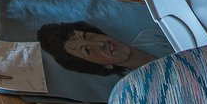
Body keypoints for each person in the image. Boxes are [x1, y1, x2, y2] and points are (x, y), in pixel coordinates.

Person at [37, 20, 171, 77]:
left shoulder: (152, 36)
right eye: (87, 50)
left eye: (87, 35)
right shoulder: (139, 87)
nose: (101, 44)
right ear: (104, 66)